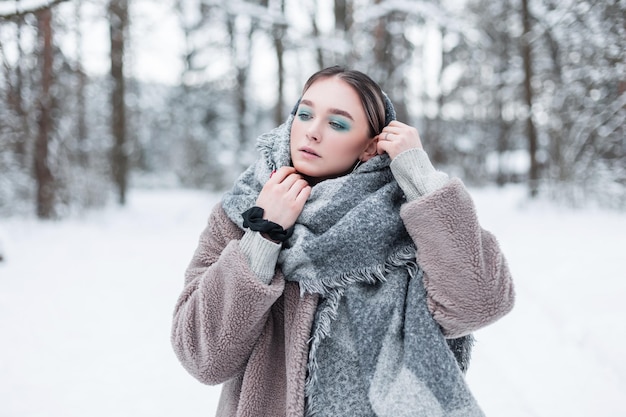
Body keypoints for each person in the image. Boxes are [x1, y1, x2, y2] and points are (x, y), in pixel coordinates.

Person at [171, 66, 514, 417]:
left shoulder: (409, 223)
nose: (312, 132)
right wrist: (263, 235)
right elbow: (202, 356)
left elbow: (481, 302)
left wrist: (423, 181)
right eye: (305, 114)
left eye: (337, 123)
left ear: (369, 147)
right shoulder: (241, 211)